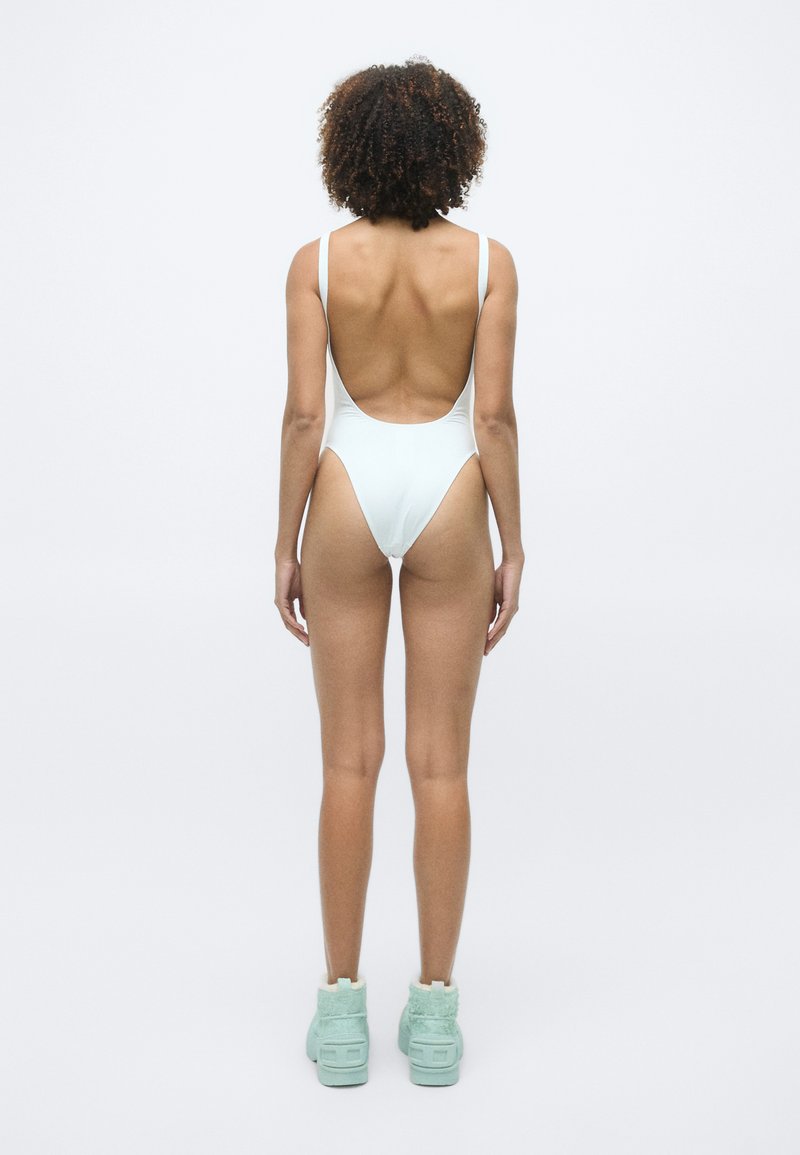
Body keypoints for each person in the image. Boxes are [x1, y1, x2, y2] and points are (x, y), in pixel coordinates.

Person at [274, 57, 523, 1086]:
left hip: (347, 483)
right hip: (450, 489)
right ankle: (433, 1019)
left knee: (347, 763)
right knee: (440, 767)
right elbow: (494, 417)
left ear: (349, 149)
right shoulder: (489, 262)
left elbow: (304, 414)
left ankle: (340, 1017)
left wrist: (283, 541)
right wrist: (514, 542)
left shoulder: (319, 262)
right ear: (455, 148)